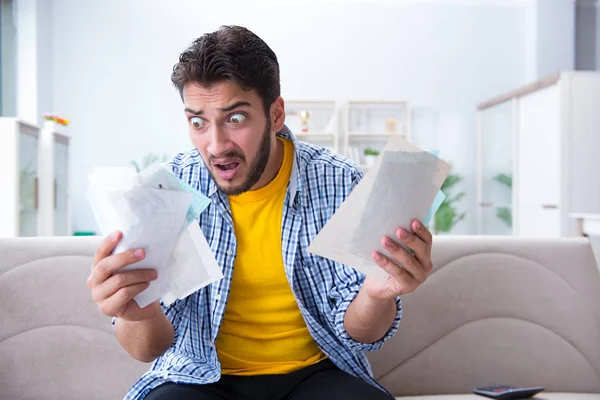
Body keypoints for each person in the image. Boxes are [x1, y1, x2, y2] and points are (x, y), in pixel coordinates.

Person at [87, 25, 433, 400]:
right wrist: (135, 311)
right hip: (201, 378)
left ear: (276, 113)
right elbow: (147, 349)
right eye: (198, 122)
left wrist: (375, 295)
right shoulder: (166, 193)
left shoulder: (342, 183)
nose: (216, 145)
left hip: (317, 374)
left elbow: (360, 333)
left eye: (235, 119)